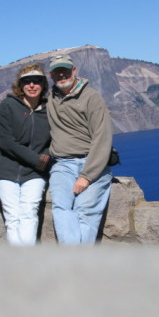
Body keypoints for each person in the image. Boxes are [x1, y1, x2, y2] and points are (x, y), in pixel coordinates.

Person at [47, 54, 114, 245]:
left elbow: (102, 138)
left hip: (92, 163)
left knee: (86, 211)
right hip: (63, 163)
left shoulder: (91, 98)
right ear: (51, 75)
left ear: (74, 71)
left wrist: (87, 175)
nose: (62, 75)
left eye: (65, 71)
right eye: (57, 72)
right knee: (60, 207)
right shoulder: (51, 97)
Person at [0, 63, 51, 246]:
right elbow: (7, 142)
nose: (32, 85)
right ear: (20, 85)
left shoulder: (50, 109)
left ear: (43, 85)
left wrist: (47, 157)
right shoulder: (8, 106)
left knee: (29, 212)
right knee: (13, 216)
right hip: (7, 169)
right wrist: (37, 159)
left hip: (35, 173)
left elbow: (59, 138)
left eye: (37, 81)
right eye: (27, 81)